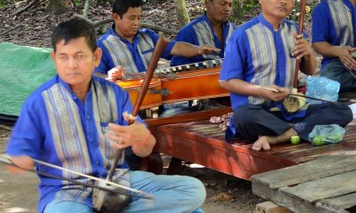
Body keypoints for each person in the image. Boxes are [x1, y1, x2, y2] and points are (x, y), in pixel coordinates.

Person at [6, 17, 206, 213]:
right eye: (63, 57)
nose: (72, 65)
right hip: (67, 192)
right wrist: (22, 159)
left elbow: (145, 150)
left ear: (96, 57)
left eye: (79, 56)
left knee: (193, 190)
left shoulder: (115, 94)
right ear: (54, 59)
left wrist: (141, 137)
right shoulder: (39, 102)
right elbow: (19, 157)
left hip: (118, 183)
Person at [219, 0, 353, 151]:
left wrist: (308, 54)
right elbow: (226, 81)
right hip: (258, 111)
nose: (283, 1)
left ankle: (282, 135)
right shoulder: (243, 35)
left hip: (290, 109)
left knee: (342, 111)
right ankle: (297, 132)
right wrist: (262, 91)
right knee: (243, 117)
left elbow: (310, 70)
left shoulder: (295, 31)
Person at [95, 0, 219, 81]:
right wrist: (110, 77)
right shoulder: (103, 45)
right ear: (116, 17)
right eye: (132, 18)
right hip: (127, 101)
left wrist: (198, 49)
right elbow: (94, 76)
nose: (137, 23)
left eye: (139, 18)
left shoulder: (148, 36)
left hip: (156, 95)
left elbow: (175, 47)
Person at [170, 0, 237, 66]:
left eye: (230, 5)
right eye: (222, 4)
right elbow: (178, 68)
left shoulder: (235, 31)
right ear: (207, 3)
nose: (227, 9)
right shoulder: (189, 32)